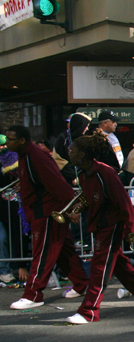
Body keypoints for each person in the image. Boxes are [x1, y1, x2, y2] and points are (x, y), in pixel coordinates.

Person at [64, 134, 134, 324]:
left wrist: (133, 230)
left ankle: (89, 311)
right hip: (99, 224)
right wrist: (75, 208)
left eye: (73, 150)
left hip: (112, 224)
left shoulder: (106, 173)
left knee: (100, 267)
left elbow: (123, 202)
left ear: (83, 154)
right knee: (118, 264)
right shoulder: (82, 174)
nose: (70, 153)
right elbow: (91, 197)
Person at [6, 126, 89, 310]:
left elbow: (56, 182)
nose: (7, 143)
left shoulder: (35, 156)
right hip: (43, 210)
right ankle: (81, 283)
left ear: (21, 140)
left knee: (42, 254)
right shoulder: (26, 155)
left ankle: (33, 294)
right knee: (63, 250)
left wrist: (71, 207)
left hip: (46, 212)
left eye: (10, 139)